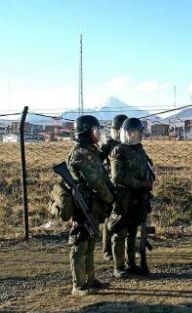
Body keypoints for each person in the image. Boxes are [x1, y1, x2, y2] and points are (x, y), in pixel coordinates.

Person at [67, 115, 114, 296]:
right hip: (82, 205)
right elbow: (95, 181)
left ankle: (90, 280)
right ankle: (78, 286)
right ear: (87, 132)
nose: (98, 133)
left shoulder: (89, 151)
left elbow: (99, 172)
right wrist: (110, 198)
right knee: (80, 243)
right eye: (95, 130)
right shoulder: (79, 153)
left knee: (90, 241)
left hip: (92, 205)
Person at [108, 117, 155, 278]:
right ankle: (118, 267)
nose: (136, 136)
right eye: (133, 133)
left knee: (133, 231)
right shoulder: (118, 151)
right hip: (123, 198)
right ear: (126, 133)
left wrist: (149, 181)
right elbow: (117, 177)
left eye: (138, 132)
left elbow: (147, 170)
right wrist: (140, 184)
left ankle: (131, 264)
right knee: (120, 232)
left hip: (139, 198)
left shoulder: (140, 151)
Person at [99, 114, 128, 261]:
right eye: (116, 130)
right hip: (111, 186)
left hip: (127, 186)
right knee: (109, 219)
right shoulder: (108, 145)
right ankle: (107, 250)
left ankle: (125, 250)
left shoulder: (130, 145)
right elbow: (98, 162)